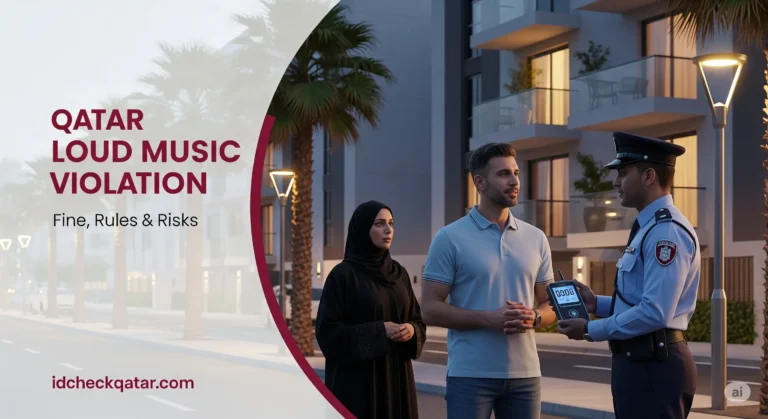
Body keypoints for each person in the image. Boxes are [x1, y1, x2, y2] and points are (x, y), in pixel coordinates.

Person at [557, 132, 701, 419]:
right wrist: (595, 304)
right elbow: (640, 300)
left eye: (623, 173)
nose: (615, 183)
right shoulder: (649, 228)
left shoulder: (666, 232)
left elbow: (655, 312)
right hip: (640, 362)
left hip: (654, 365)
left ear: (649, 176)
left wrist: (589, 329)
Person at [420, 142, 557, 419]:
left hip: (526, 376)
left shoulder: (536, 238)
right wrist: (488, 319)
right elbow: (429, 308)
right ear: (479, 182)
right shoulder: (449, 238)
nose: (515, 181)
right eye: (504, 174)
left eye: (516, 173)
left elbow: (550, 304)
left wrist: (535, 318)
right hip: (470, 375)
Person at [315, 200, 426, 419]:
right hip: (357, 385)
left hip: (397, 379)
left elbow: (417, 319)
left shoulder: (399, 273)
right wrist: (379, 331)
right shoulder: (343, 275)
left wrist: (411, 331)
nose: (388, 230)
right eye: (379, 224)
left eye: (391, 223)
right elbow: (327, 334)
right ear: (363, 229)